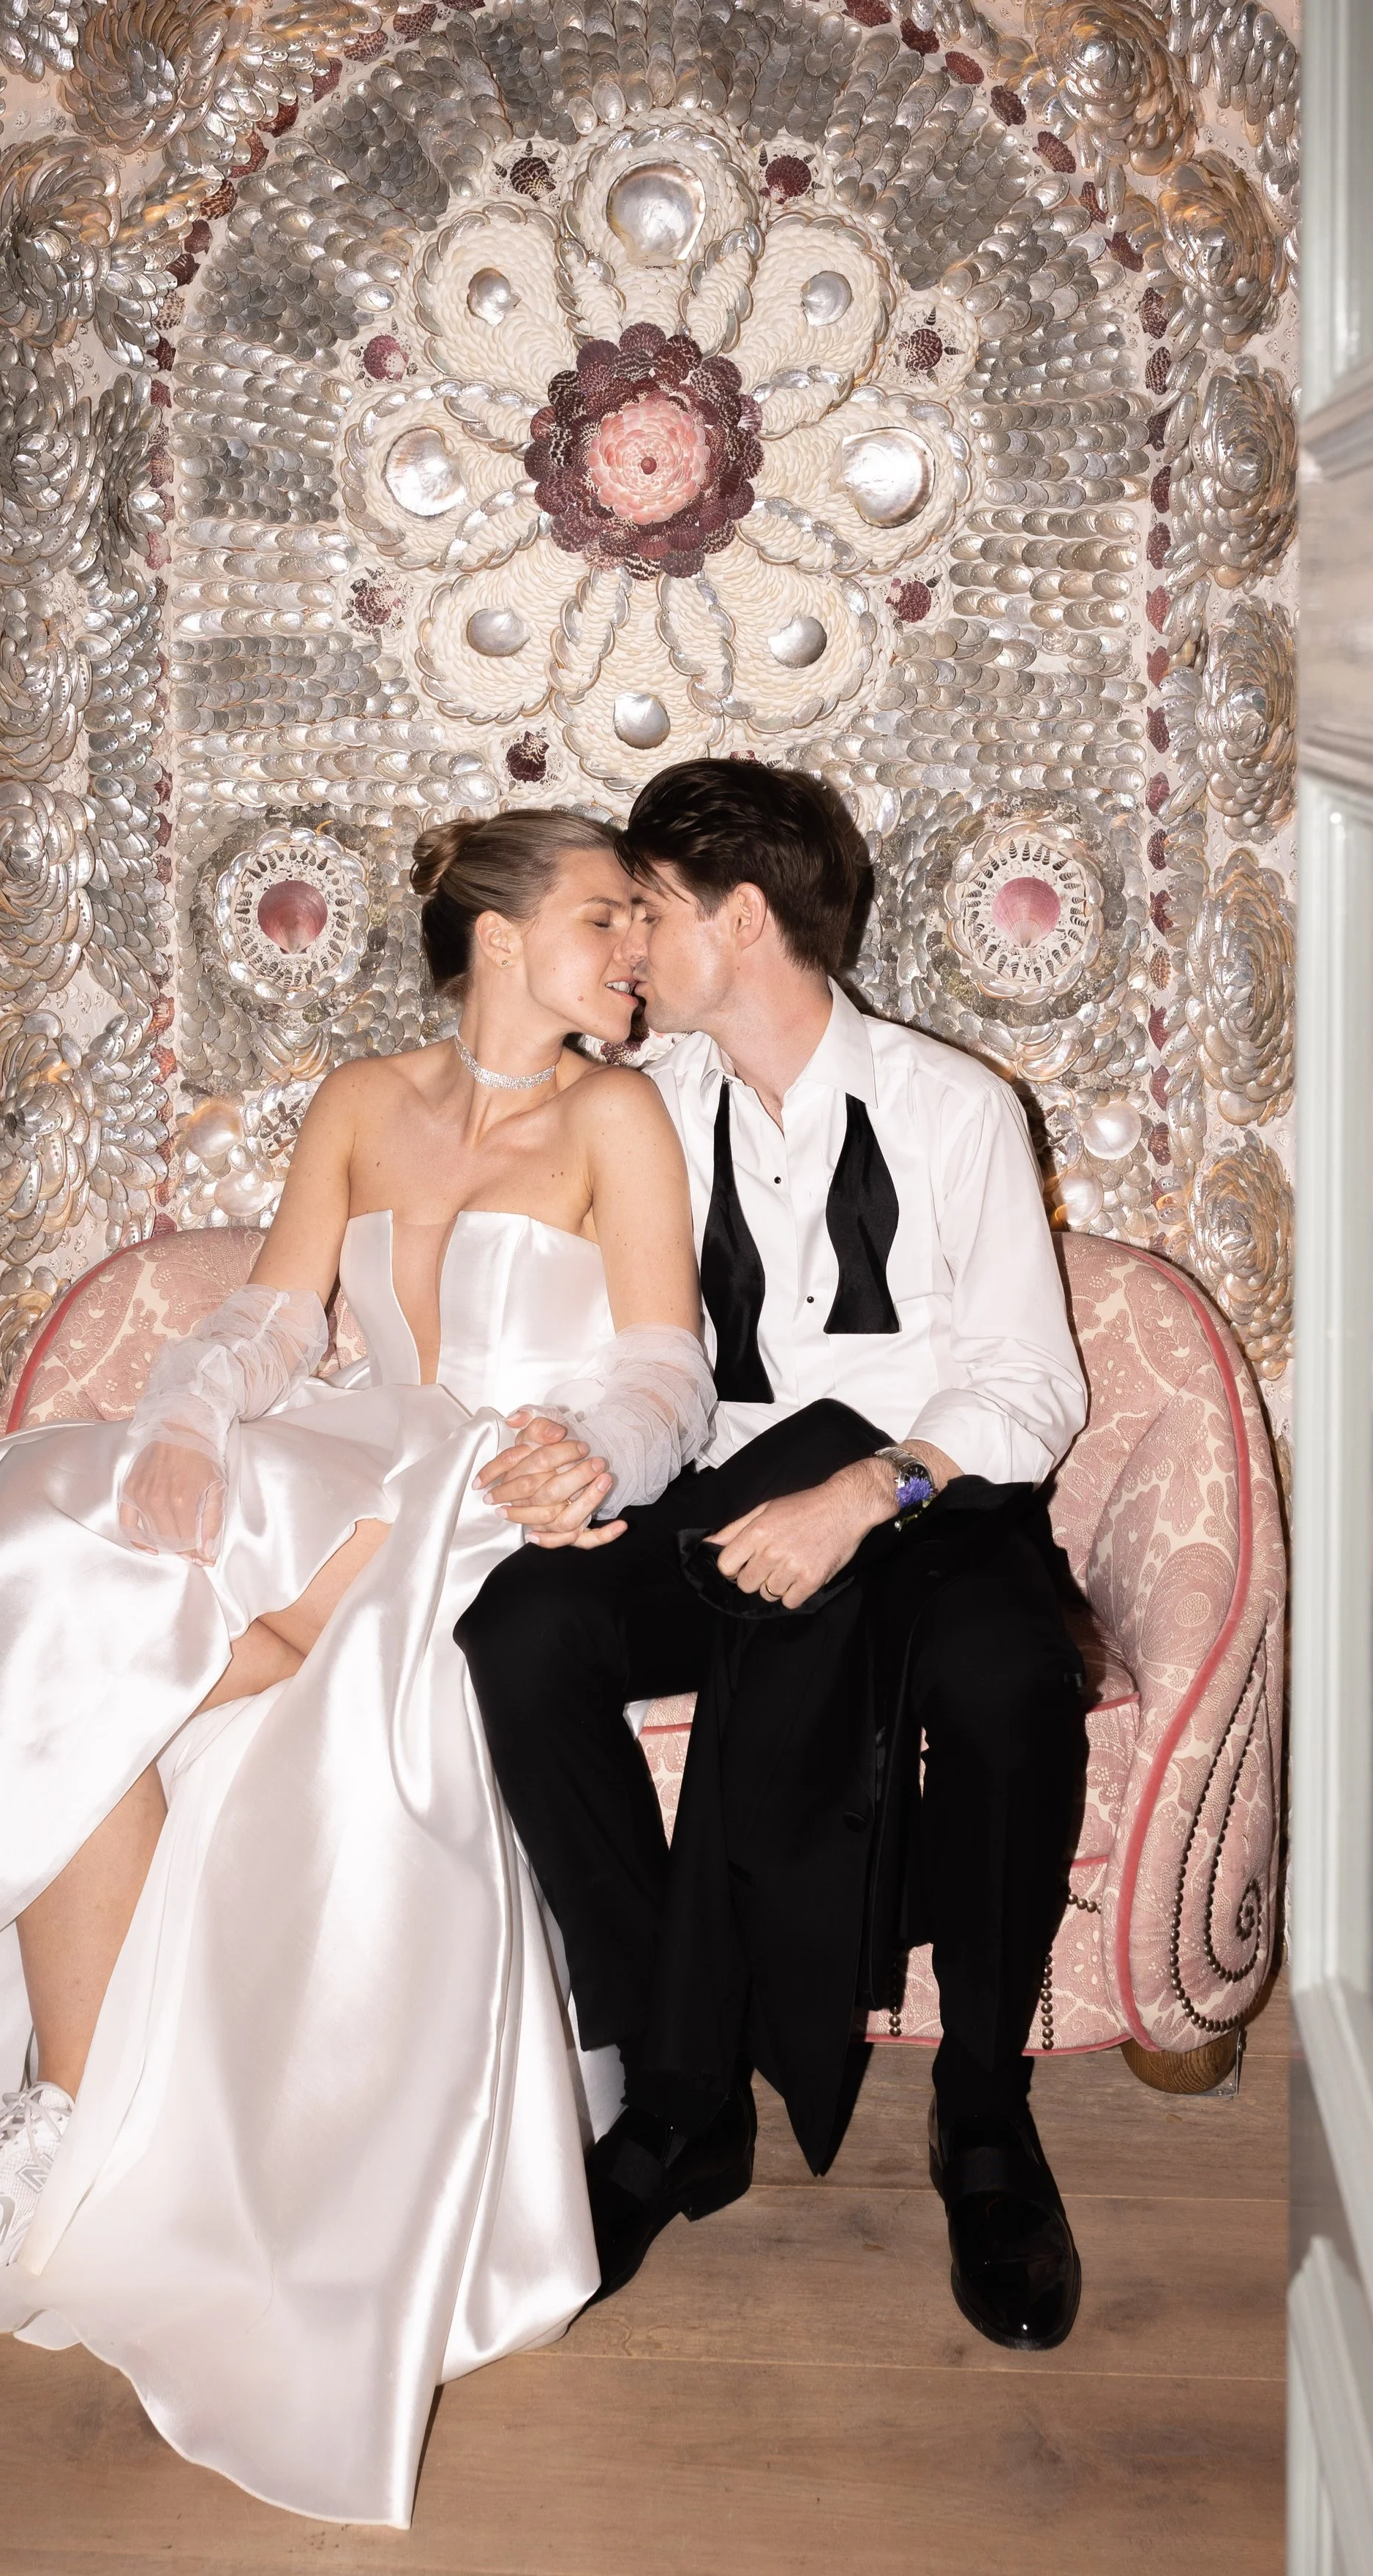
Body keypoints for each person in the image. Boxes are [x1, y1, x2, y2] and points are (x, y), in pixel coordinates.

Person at [0, 808, 715, 2527]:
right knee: (58, 1500)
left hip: (474, 1493)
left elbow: (661, 1365)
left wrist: (595, 1452)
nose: (639, 952)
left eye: (638, 925)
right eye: (608, 917)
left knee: (132, 1641)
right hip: (342, 1445)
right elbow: (271, 1316)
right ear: (494, 934)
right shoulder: (354, 1103)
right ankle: (57, 2114)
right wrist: (183, 1417)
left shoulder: (617, 1115)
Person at [459, 759, 1094, 2351]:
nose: (624, 945)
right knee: (521, 1634)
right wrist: (595, 1458)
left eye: (646, 912)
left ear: (739, 920)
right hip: (733, 1487)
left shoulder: (954, 1111)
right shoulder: (650, 1108)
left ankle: (983, 2120)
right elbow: (650, 1352)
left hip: (929, 1501)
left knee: (1011, 1679)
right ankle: (673, 2086)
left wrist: (862, 1496)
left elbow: (1025, 1384)